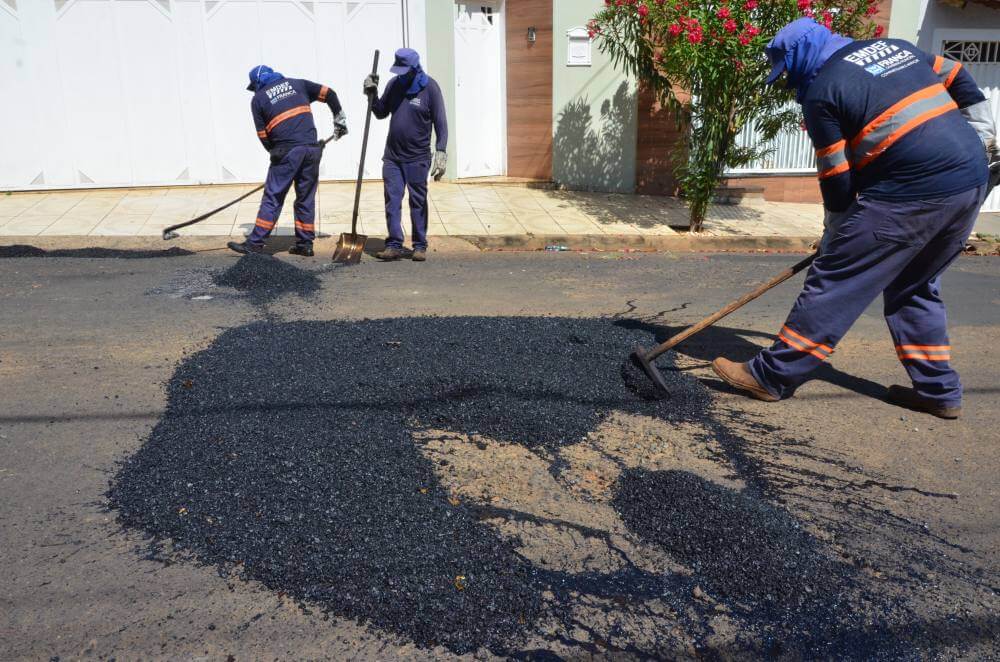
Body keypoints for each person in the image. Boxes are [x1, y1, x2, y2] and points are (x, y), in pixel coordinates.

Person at [712, 18, 999, 419]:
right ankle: (938, 391)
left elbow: (837, 177)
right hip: (969, 181)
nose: (791, 83)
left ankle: (771, 376)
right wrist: (983, 130)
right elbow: (958, 73)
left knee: (835, 280)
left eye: (788, 73)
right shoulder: (898, 49)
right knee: (913, 286)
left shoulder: (823, 92)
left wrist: (835, 235)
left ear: (802, 59)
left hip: (910, 194)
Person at [228, 65, 348, 257]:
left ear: (258, 82)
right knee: (305, 198)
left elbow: (263, 135)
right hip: (312, 151)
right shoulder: (298, 84)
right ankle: (304, 244)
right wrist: (339, 120)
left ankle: (255, 243)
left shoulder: (258, 99)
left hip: (287, 153)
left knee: (273, 198)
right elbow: (329, 93)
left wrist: (274, 152)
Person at [363, 48, 448, 262]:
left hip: (418, 158)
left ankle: (420, 245)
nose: (401, 75)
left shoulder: (430, 88)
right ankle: (394, 244)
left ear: (415, 67)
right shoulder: (394, 85)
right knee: (392, 200)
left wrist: (441, 150)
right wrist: (371, 94)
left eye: (405, 71)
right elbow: (381, 112)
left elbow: (441, 122)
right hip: (392, 156)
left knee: (417, 201)